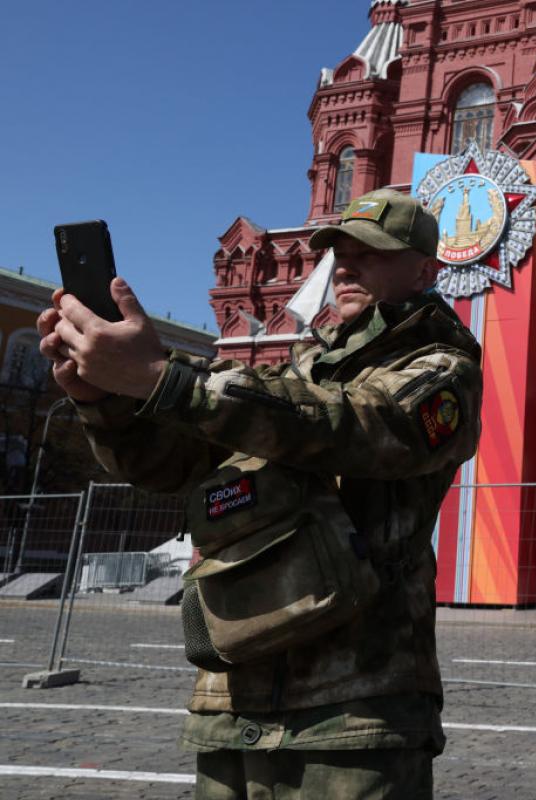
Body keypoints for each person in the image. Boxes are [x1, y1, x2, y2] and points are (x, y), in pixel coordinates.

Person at [37, 189, 482, 799]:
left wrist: (163, 379)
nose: (345, 266)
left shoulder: (441, 368)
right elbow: (171, 465)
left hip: (355, 707)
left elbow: (350, 425)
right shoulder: (297, 370)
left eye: (370, 253)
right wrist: (105, 401)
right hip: (233, 695)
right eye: (338, 253)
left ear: (424, 270)